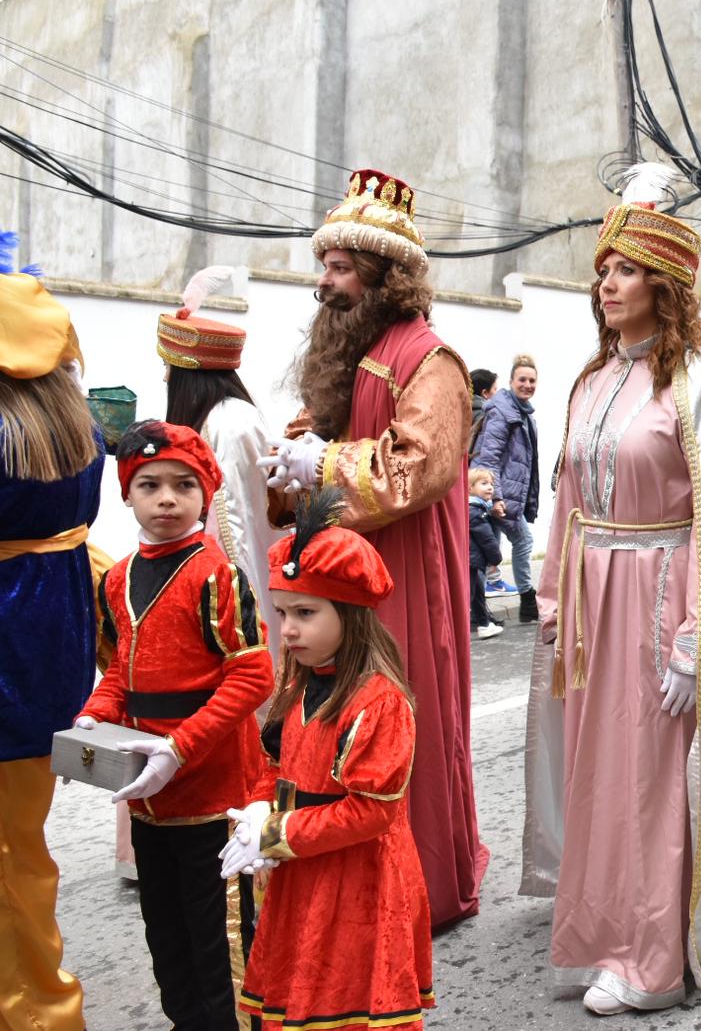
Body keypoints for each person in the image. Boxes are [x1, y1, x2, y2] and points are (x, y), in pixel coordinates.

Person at [525, 164, 701, 1014]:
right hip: (591, 603)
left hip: (658, 597)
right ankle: (597, 938)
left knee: (648, 781)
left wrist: (693, 637)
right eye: (603, 270)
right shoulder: (591, 380)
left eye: (627, 270)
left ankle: (649, 957)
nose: (607, 284)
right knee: (595, 774)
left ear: (667, 285)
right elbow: (567, 501)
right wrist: (553, 597)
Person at [258, 168, 486, 928]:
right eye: (325, 265)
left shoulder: (432, 359)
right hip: (341, 579)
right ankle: (341, 863)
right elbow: (318, 436)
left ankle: (420, 883)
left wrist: (320, 466)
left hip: (403, 576)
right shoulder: (347, 353)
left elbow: (414, 467)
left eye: (341, 268)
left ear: (387, 278)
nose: (325, 283)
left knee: (398, 715)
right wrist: (289, 465)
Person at [76, 419, 273, 1030]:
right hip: (149, 805)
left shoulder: (218, 575)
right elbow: (118, 672)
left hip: (215, 799)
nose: (167, 498)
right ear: (127, 493)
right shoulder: (116, 577)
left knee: (223, 948)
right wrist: (93, 719)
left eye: (184, 485)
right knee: (167, 940)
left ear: (205, 494)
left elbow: (252, 676)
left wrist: (179, 747)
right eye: (150, 484)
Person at [222, 490, 434, 1031]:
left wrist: (274, 834)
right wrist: (255, 811)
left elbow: (371, 813)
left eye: (306, 613)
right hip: (305, 866)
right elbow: (273, 766)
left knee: (345, 1006)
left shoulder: (378, 700)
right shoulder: (298, 685)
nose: (287, 629)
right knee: (300, 996)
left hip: (357, 879)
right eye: (283, 612)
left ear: (350, 614)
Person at [0, 254, 101, 1031]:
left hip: (8, 656)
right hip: (47, 661)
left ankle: (36, 1010)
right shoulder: (75, 432)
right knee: (22, 859)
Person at [159, 266, 283, 657]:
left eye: (170, 368)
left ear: (188, 377)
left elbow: (232, 529)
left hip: (231, 588)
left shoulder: (226, 424)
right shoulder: (227, 414)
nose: (165, 378)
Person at [471, 353, 540, 623]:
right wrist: (496, 498)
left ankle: (479, 613)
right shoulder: (503, 412)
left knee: (483, 555)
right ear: (511, 381)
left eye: (532, 380)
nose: (527, 384)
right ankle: (527, 601)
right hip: (499, 495)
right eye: (522, 379)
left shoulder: (521, 412)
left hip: (504, 494)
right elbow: (489, 458)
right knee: (523, 541)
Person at [467, 467, 505, 639]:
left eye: (491, 484)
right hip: (472, 561)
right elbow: (487, 539)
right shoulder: (475, 511)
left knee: (477, 596)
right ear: (470, 488)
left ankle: (483, 624)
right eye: (484, 483)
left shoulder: (479, 508)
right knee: (471, 596)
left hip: (473, 561)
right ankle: (465, 627)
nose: (490, 487)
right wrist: (495, 558)